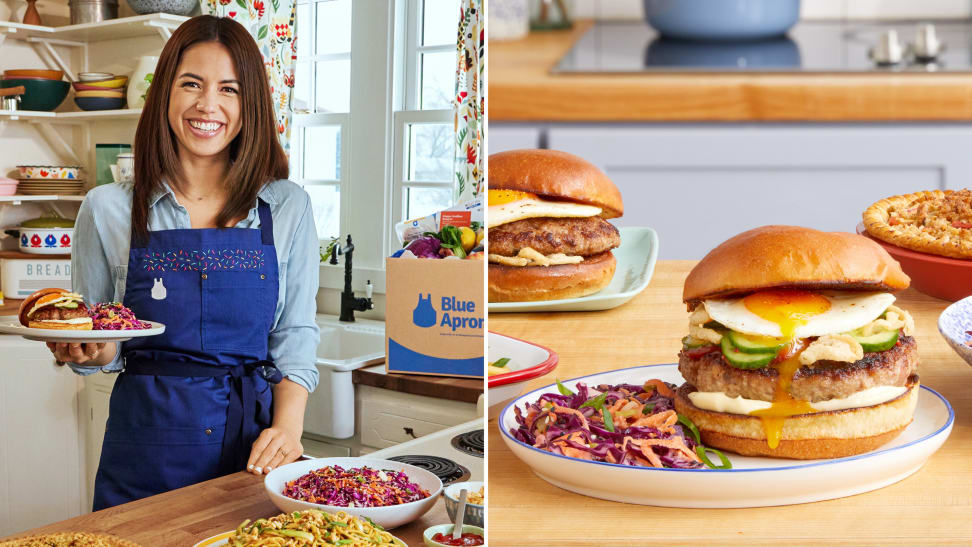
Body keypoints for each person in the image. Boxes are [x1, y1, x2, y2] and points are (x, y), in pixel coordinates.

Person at [46, 15, 320, 510]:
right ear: (164, 95)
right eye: (191, 83)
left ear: (250, 103)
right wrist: (89, 352)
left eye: (229, 89)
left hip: (252, 452)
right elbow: (105, 342)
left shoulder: (286, 206)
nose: (207, 104)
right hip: (144, 452)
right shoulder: (106, 208)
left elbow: (295, 332)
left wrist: (288, 429)